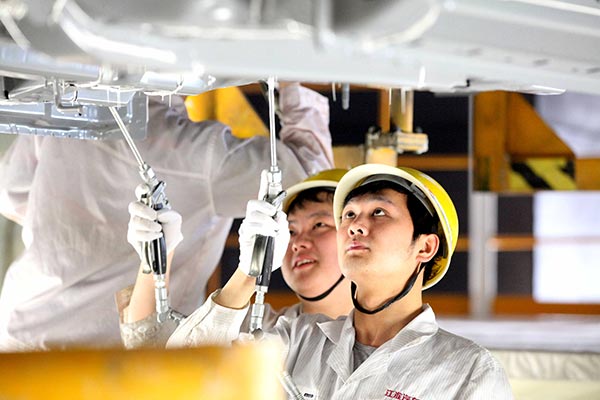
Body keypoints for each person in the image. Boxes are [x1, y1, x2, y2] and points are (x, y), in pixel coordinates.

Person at [0, 82, 333, 351]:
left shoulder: (63, 111)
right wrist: (289, 82)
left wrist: (82, 234)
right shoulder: (198, 154)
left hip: (22, 331)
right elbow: (308, 177)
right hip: (114, 354)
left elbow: (11, 196)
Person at [165, 163, 514, 399]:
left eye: (379, 212)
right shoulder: (297, 339)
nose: (355, 226)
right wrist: (248, 271)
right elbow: (180, 375)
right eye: (349, 215)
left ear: (425, 246)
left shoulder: (468, 371)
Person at [120, 168, 353, 348]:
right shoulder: (256, 328)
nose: (298, 241)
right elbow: (155, 355)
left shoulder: (384, 345)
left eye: (319, 224)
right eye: (290, 231)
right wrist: (156, 259)